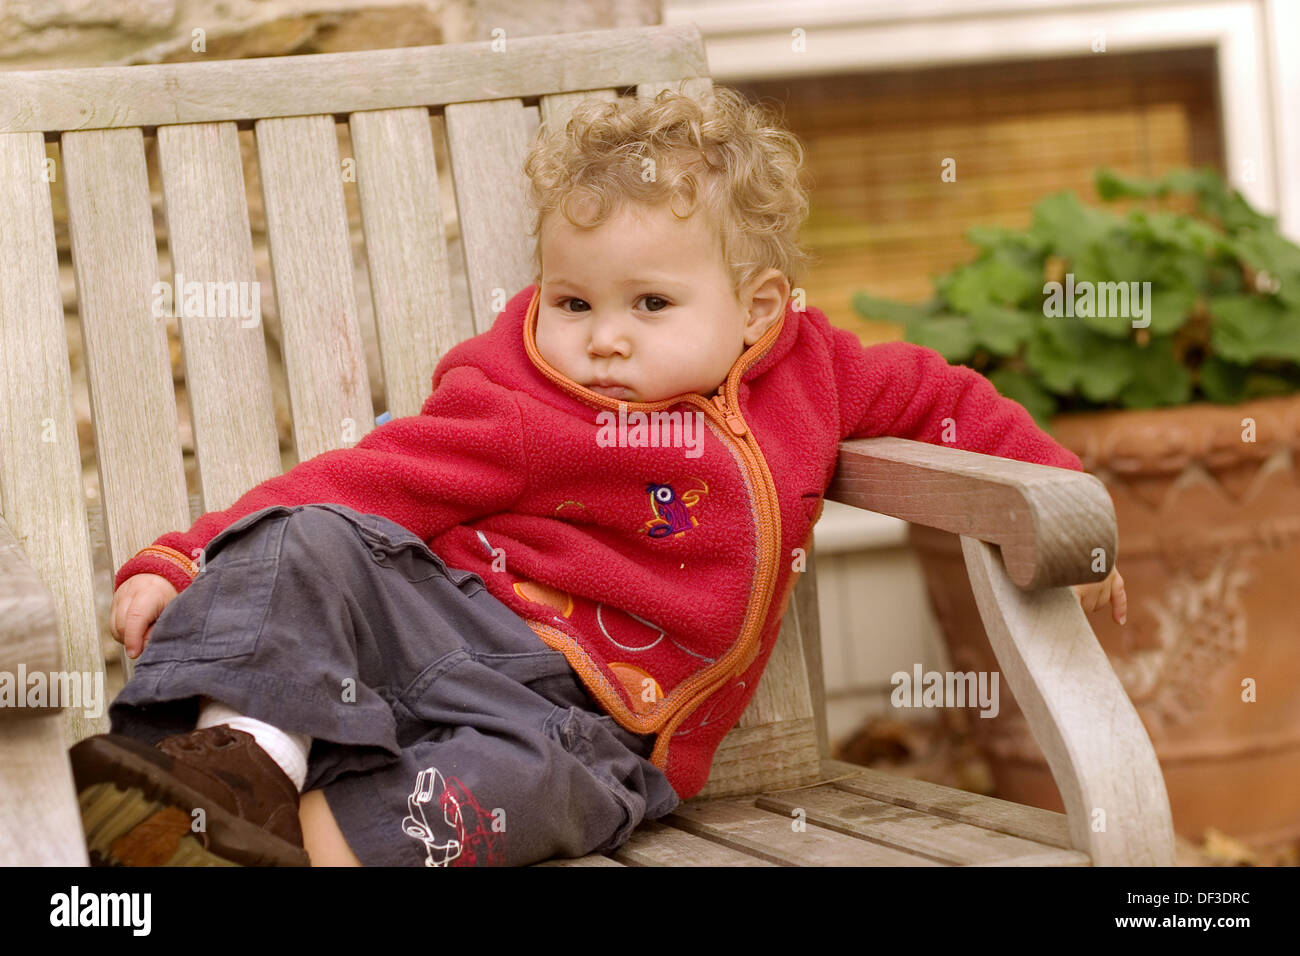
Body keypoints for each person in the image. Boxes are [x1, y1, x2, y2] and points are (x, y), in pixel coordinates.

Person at [71, 87, 1126, 868]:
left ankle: (265, 849)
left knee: (523, 788)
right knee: (309, 537)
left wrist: (1065, 502)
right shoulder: (524, 402)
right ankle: (235, 765)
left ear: (756, 309)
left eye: (649, 304)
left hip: (591, 729)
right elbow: (365, 478)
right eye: (574, 302)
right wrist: (183, 556)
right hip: (453, 631)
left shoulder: (819, 376)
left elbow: (945, 400)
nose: (603, 338)